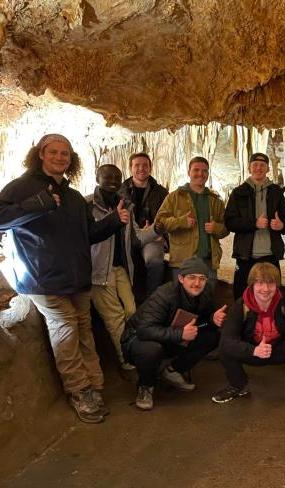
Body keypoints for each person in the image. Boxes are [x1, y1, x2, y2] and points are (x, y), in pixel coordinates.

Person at [0, 134, 128, 423]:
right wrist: (37, 204)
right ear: (41, 154)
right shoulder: (21, 188)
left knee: (84, 329)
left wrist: (113, 222)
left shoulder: (72, 197)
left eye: (66, 154)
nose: (60, 158)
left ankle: (95, 385)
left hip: (76, 277)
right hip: (42, 278)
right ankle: (80, 391)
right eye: (54, 152)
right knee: (66, 330)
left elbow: (89, 235)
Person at [121, 257, 226, 411]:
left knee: (212, 336)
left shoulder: (206, 292)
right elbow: (144, 330)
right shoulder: (164, 295)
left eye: (202, 278)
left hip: (172, 335)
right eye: (191, 277)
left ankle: (171, 370)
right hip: (138, 339)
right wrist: (179, 334)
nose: (197, 283)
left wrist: (212, 319)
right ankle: (145, 386)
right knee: (151, 349)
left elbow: (202, 322)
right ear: (181, 278)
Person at [212, 262, 285, 403]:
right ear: (252, 284)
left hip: (278, 351)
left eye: (270, 283)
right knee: (224, 348)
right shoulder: (240, 306)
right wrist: (253, 350)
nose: (265, 289)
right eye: (260, 283)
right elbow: (227, 340)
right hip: (253, 353)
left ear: (277, 285)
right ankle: (237, 385)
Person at [88, 164, 140, 371]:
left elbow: (136, 236)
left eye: (117, 177)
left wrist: (157, 230)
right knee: (115, 318)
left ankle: (132, 348)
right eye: (107, 176)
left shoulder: (126, 205)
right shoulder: (87, 206)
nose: (112, 181)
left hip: (119, 268)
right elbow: (85, 236)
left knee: (131, 311)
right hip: (98, 271)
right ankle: (126, 359)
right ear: (97, 177)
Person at [224, 153, 285, 300]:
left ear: (268, 168)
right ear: (249, 168)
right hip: (245, 256)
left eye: (262, 165)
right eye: (255, 164)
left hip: (270, 255)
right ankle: (243, 322)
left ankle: (269, 323)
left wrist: (281, 225)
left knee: (272, 296)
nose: (258, 168)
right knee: (242, 296)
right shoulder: (238, 193)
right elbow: (230, 222)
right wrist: (254, 224)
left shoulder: (276, 192)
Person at [155, 156, 228, 282]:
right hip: (182, 261)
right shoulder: (174, 197)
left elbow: (226, 228)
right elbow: (160, 221)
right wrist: (181, 222)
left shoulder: (215, 200)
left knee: (207, 299)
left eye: (204, 171)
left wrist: (217, 228)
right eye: (196, 170)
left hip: (208, 261)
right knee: (181, 298)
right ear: (189, 172)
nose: (200, 174)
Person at [119, 152, 169, 297]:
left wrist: (160, 232)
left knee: (154, 261)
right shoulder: (120, 191)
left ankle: (152, 299)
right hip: (128, 236)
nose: (141, 168)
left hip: (153, 236)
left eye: (145, 165)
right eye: (137, 165)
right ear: (130, 168)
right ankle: (129, 299)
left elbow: (168, 215)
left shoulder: (160, 192)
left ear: (150, 168)